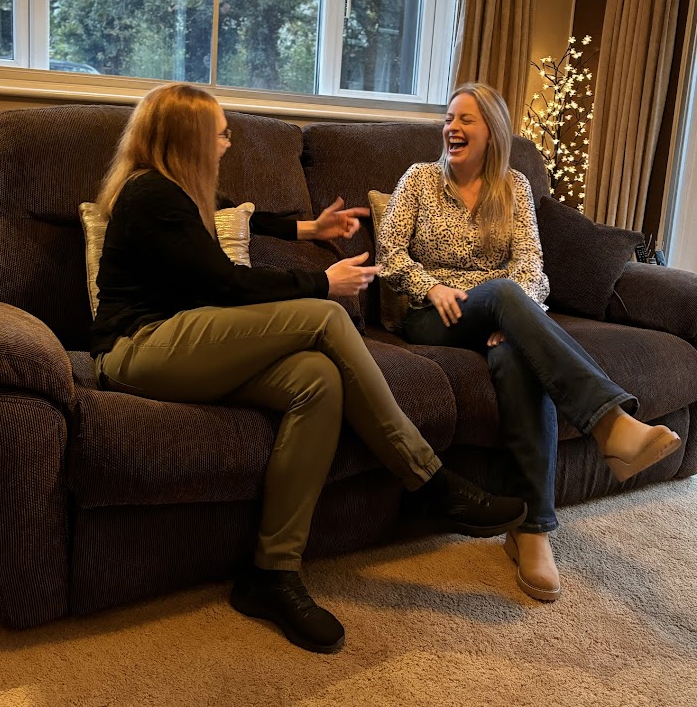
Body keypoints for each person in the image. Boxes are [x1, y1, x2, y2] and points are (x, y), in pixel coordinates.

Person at [90, 82, 528, 654]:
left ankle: (271, 572)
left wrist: (310, 230)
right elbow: (225, 285)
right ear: (186, 139)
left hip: (181, 344)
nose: (227, 141)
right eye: (219, 133)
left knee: (317, 382)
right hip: (137, 348)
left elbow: (243, 218)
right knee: (324, 316)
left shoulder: (179, 191)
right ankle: (428, 478)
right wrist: (322, 281)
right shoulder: (152, 194)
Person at [375, 82, 682, 604]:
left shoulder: (513, 186)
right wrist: (433, 287)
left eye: (466, 119)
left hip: (498, 312)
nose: (452, 127)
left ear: (492, 132)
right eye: (449, 118)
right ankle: (610, 423)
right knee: (502, 292)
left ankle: (532, 529)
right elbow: (390, 252)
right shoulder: (420, 180)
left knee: (517, 356)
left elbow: (532, 267)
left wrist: (517, 319)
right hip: (432, 315)